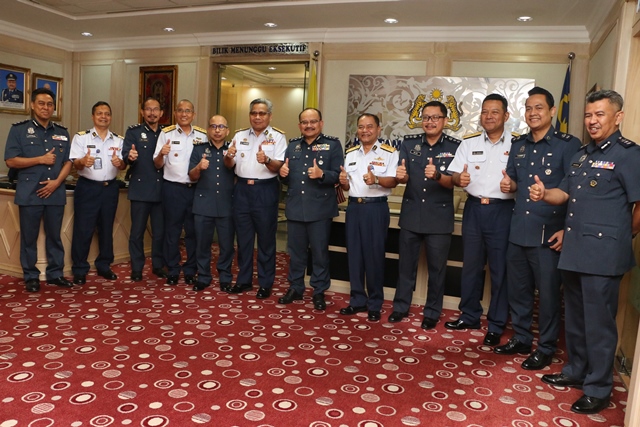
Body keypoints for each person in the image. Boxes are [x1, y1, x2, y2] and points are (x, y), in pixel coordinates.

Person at [530, 90, 640, 415]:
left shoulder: (629, 154)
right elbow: (564, 194)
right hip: (575, 250)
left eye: (600, 114)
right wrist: (544, 193)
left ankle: (599, 388)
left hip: (604, 256)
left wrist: (624, 236)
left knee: (599, 324)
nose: (592, 121)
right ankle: (576, 371)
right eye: (589, 114)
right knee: (576, 320)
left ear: (618, 117)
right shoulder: (581, 155)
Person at [493, 87, 582, 369]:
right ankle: (521, 338)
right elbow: (515, 181)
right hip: (519, 230)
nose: (533, 113)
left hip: (548, 235)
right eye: (529, 108)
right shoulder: (519, 145)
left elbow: (575, 192)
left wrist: (568, 230)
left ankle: (545, 347)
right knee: (518, 291)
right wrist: (509, 184)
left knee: (548, 296)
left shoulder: (569, 145)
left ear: (552, 111)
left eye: (539, 107)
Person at [445, 93, 515, 346]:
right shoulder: (469, 143)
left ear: (506, 116)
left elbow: (523, 181)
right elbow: (454, 175)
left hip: (503, 211)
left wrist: (514, 185)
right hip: (474, 209)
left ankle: (496, 323)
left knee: (500, 270)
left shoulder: (518, 145)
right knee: (471, 266)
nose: (489, 116)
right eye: (485, 112)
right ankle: (469, 315)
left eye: (495, 112)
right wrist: (459, 179)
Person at [388, 101, 460, 329]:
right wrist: (401, 177)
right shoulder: (409, 144)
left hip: (439, 218)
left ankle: (432, 312)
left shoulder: (455, 146)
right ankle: (400, 307)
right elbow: (403, 177)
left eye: (435, 117)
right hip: (411, 214)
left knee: (437, 270)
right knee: (405, 266)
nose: (430, 122)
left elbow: (454, 182)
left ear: (444, 121)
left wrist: (437, 175)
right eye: (426, 117)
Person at [4, 87, 72, 292]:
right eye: (41, 103)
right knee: (29, 237)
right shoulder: (19, 130)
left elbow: (69, 162)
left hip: (55, 191)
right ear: (32, 105)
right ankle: (31, 276)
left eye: (50, 104)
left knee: (55, 236)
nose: (46, 107)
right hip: (30, 193)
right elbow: (11, 161)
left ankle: (56, 273)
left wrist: (57, 182)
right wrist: (40, 159)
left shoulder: (62, 132)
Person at [278, 108, 343, 310]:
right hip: (296, 208)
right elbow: (287, 178)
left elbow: (339, 175)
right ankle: (296, 287)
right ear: (299, 125)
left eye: (313, 121)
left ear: (320, 123)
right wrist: (282, 174)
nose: (309, 125)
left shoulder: (332, 145)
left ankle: (319, 290)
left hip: (320, 209)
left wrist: (322, 174)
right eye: (304, 122)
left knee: (319, 253)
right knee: (296, 253)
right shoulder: (293, 146)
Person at [338, 113, 399, 321]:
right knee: (354, 256)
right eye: (361, 127)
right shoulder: (351, 153)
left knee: (374, 257)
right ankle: (357, 300)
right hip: (354, 208)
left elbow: (394, 181)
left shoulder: (389, 153)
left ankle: (374, 303)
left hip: (375, 208)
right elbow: (348, 187)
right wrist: (343, 182)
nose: (365, 131)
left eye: (370, 126)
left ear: (379, 129)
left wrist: (377, 179)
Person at [224, 98, 286, 299]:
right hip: (242, 190)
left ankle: (265, 283)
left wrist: (266, 160)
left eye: (262, 113)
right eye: (254, 113)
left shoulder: (278, 137)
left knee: (266, 240)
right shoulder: (239, 135)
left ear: (270, 116)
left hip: (265, 190)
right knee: (243, 239)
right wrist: (228, 156)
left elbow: (279, 167)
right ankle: (243, 280)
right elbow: (229, 165)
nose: (257, 117)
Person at [70, 101, 126, 284]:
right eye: (100, 113)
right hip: (88, 188)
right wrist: (82, 162)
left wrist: (120, 163)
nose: (104, 117)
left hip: (110, 188)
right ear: (93, 116)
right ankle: (80, 268)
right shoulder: (81, 138)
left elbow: (123, 165)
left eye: (107, 114)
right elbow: (75, 163)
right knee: (83, 229)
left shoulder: (119, 140)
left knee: (106, 228)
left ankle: (104, 265)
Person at [153, 99, 206, 285]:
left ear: (194, 114)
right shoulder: (166, 133)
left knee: (193, 231)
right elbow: (157, 164)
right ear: (175, 113)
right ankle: (173, 269)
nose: (184, 114)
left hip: (196, 189)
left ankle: (191, 269)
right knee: (172, 231)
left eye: (188, 111)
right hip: (173, 189)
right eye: (180, 110)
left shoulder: (202, 136)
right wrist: (162, 154)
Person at [188, 115, 235, 292]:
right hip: (203, 204)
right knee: (202, 243)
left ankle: (225, 276)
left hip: (226, 204)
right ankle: (203, 276)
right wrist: (198, 167)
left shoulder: (232, 149)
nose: (217, 130)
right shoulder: (199, 149)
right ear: (208, 130)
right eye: (213, 126)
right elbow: (192, 176)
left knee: (227, 245)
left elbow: (238, 173)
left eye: (221, 127)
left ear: (227, 131)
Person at [122, 97, 167, 282]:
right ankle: (137, 267)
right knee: (137, 232)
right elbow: (125, 154)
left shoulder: (167, 133)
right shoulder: (133, 132)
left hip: (162, 190)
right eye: (148, 109)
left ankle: (158, 265)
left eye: (156, 109)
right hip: (140, 189)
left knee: (160, 232)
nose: (152, 113)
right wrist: (129, 156)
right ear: (142, 112)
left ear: (161, 113)